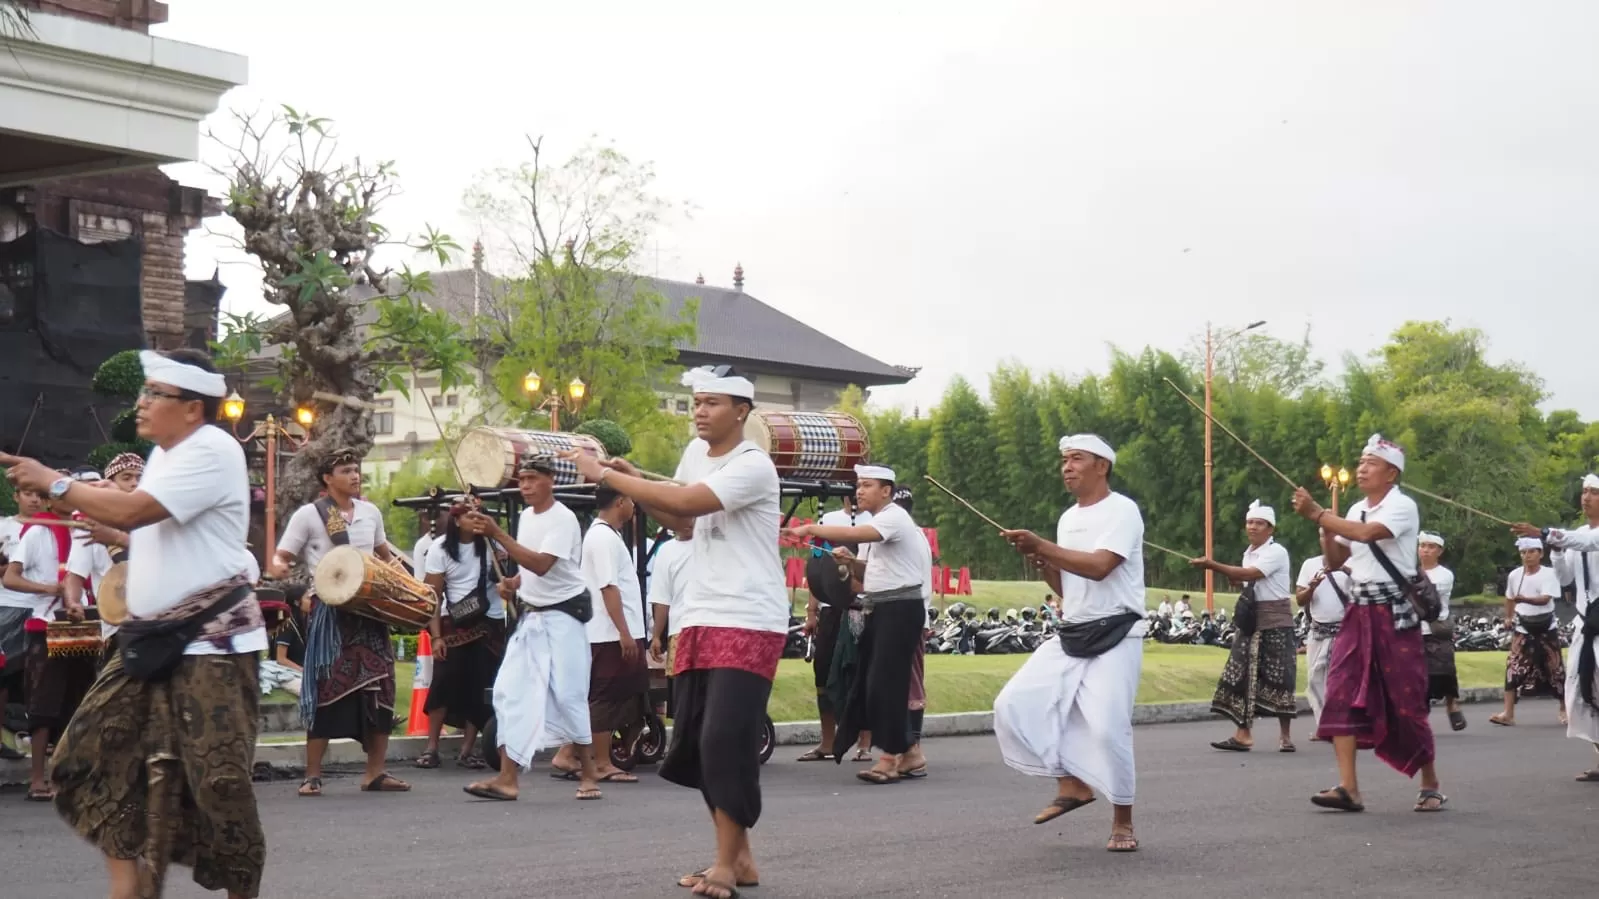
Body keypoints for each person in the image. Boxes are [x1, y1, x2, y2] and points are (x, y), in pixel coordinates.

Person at [4, 347, 267, 898]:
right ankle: (132, 889)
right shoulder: (164, 456)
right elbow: (144, 523)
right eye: (143, 392)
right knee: (84, 760)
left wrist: (55, 482)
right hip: (145, 641)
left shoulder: (214, 448)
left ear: (193, 408)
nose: (141, 403)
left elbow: (133, 511)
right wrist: (100, 516)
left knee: (218, 786)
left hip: (211, 646)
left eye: (154, 394)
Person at [564, 365, 784, 899]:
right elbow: (684, 522)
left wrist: (608, 476)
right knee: (698, 744)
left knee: (724, 739)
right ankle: (742, 859)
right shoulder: (694, 458)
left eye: (712, 402)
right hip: (701, 616)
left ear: (741, 411)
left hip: (749, 617)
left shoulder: (754, 464)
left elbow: (689, 502)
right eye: (697, 402)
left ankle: (726, 866)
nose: (700, 411)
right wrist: (636, 473)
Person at [993, 434, 1146, 853]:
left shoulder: (1123, 510)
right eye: (1064, 460)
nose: (1067, 467)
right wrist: (1044, 563)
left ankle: (1123, 821)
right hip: (1074, 628)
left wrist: (1043, 545)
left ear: (1103, 466)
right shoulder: (1066, 519)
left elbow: (1100, 567)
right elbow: (1069, 588)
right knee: (1013, 704)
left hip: (1118, 631)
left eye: (1077, 459)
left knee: (1107, 727)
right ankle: (1072, 785)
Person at [1289, 433, 1446, 813]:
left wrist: (1320, 514)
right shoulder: (1357, 508)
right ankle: (1348, 788)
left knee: (1405, 700)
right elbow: (1336, 558)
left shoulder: (1402, 507)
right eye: (1360, 462)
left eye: (1370, 463)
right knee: (1339, 690)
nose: (1361, 468)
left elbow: (1367, 534)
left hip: (1394, 614)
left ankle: (1430, 783)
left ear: (1391, 473)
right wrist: (1327, 531)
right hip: (1357, 612)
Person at [269, 447, 409, 796]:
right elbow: (282, 555)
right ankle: (312, 775)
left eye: (356, 469)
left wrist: (402, 581)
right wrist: (278, 565)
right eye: (346, 470)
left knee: (381, 688)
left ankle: (374, 772)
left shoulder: (371, 512)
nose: (355, 475)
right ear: (327, 479)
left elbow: (384, 557)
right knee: (325, 690)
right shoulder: (309, 515)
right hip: (331, 614)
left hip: (370, 611)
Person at [461, 452, 600, 802]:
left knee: (570, 695)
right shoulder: (525, 517)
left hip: (564, 618)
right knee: (509, 692)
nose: (525, 486)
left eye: (532, 479)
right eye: (521, 480)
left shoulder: (563, 519)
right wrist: (513, 583)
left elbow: (542, 564)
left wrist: (498, 534)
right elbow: (530, 570)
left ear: (550, 480)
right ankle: (508, 778)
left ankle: (589, 775)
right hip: (533, 617)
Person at [786, 464, 932, 784]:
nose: (859, 491)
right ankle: (911, 753)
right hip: (880, 607)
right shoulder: (880, 528)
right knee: (871, 683)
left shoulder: (893, 517)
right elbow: (873, 575)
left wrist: (811, 529)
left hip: (900, 608)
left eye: (867, 485)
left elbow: (855, 533)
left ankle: (891, 757)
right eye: (858, 485)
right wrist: (852, 563)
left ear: (886, 491)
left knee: (886, 684)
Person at [1193, 500, 1297, 753]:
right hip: (1251, 620)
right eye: (1250, 522)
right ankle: (1243, 734)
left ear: (1270, 529)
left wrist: (1212, 566)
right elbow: (1246, 579)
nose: (1252, 527)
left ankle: (1285, 737)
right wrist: (1234, 577)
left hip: (1276, 621)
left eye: (1258, 523)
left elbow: (1251, 574)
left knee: (1281, 678)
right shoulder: (1248, 552)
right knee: (1241, 675)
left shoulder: (1276, 552)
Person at [4, 479, 78, 801]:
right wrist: (50, 590)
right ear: (51, 501)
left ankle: (70, 776)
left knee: (78, 700)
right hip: (44, 623)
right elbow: (10, 576)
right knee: (43, 703)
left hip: (82, 623)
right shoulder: (37, 531)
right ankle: (37, 779)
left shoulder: (86, 532)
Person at [417, 500, 505, 771]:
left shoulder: (492, 545)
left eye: (480, 515)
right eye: (470, 516)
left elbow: (507, 576)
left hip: (489, 623)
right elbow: (433, 596)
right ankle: (431, 748)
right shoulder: (440, 549)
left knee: (481, 687)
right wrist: (437, 637)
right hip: (454, 622)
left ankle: (467, 751)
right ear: (456, 521)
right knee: (443, 683)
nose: (476, 520)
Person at [797, 496, 872, 763]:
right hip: (831, 609)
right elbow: (820, 572)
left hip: (863, 608)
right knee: (824, 673)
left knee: (861, 674)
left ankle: (865, 743)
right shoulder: (827, 521)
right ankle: (827, 741)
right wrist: (811, 611)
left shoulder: (876, 522)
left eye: (865, 484)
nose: (859, 492)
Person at [1540, 473, 1599, 780]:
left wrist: (1550, 533)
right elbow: (1564, 579)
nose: (1586, 497)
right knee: (1580, 690)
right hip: (1585, 621)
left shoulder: (1584, 536)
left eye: (1593, 492)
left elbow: (1589, 542)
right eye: (1584, 491)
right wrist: (1557, 551)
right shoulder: (1575, 534)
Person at [1490, 537, 1567, 727]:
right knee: (1513, 668)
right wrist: (1508, 617)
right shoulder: (1515, 575)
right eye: (1523, 552)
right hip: (1523, 627)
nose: (1527, 556)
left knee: (1555, 669)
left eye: (1532, 552)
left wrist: (1524, 599)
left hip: (1546, 627)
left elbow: (1544, 599)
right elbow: (1509, 598)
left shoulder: (1549, 574)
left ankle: (1564, 709)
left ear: (1540, 554)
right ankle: (1508, 713)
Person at [0, 485, 44, 760]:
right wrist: (18, 564)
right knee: (3, 677)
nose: (35, 499)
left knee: (37, 678)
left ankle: (36, 735)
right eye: (28, 493)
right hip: (7, 606)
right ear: (16, 496)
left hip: (42, 609)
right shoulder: (4, 527)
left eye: (40, 494)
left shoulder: (55, 529)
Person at [1295, 551, 1351, 729]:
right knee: (1315, 679)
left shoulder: (1354, 563)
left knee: (1341, 680)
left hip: (1346, 631)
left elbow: (1365, 592)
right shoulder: (1310, 564)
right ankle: (1324, 725)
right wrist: (1311, 588)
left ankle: (1343, 724)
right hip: (1318, 631)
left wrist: (1345, 570)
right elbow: (1299, 599)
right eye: (1323, 536)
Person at [1417, 532, 1465, 731]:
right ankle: (1420, 715)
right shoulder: (1409, 571)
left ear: (1440, 551)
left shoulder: (1444, 575)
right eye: (1423, 546)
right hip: (1414, 630)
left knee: (1445, 671)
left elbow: (1427, 596)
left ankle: (1452, 704)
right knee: (1417, 675)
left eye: (1431, 547)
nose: (1426, 550)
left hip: (1437, 628)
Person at [647, 524, 693, 687]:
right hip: (680, 630)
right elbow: (661, 599)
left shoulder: (711, 544)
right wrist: (657, 636)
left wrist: (657, 636)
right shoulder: (666, 551)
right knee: (682, 688)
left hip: (709, 628)